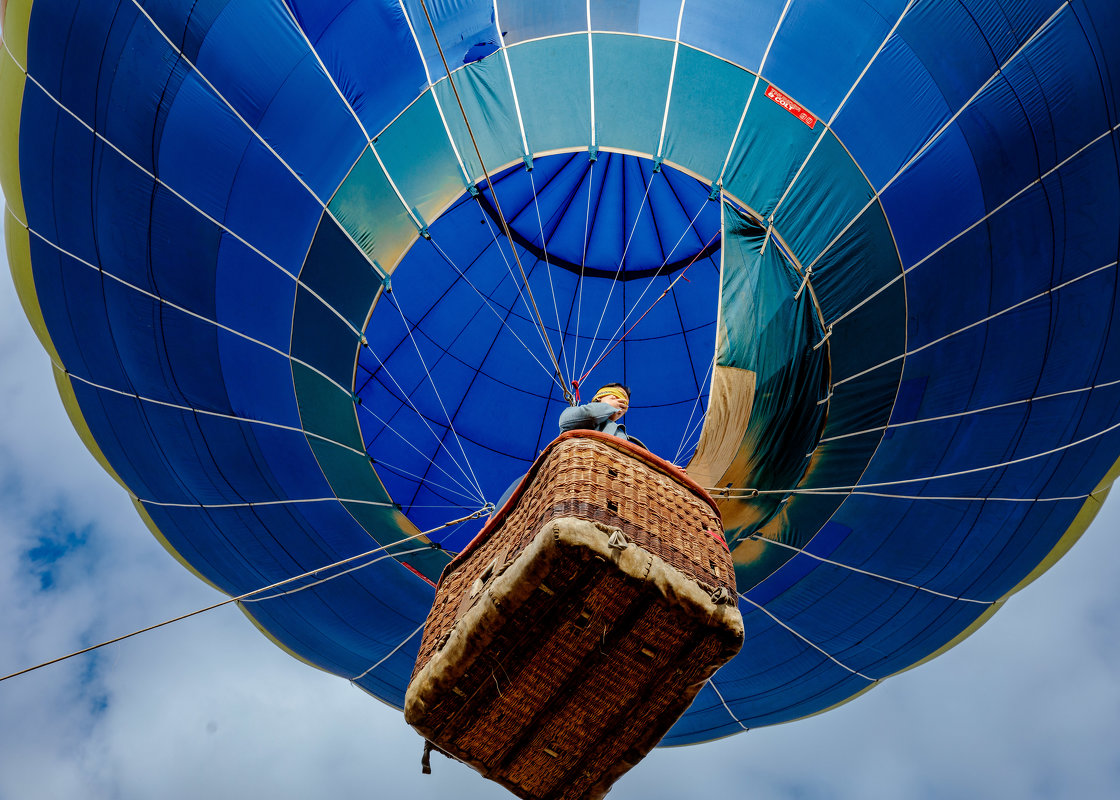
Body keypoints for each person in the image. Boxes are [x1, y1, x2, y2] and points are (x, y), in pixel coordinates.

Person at [559, 383, 647, 450]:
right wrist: (609, 407)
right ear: (599, 397)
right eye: (617, 397)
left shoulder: (620, 432)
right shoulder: (573, 411)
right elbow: (590, 415)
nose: (621, 404)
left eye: (625, 405)